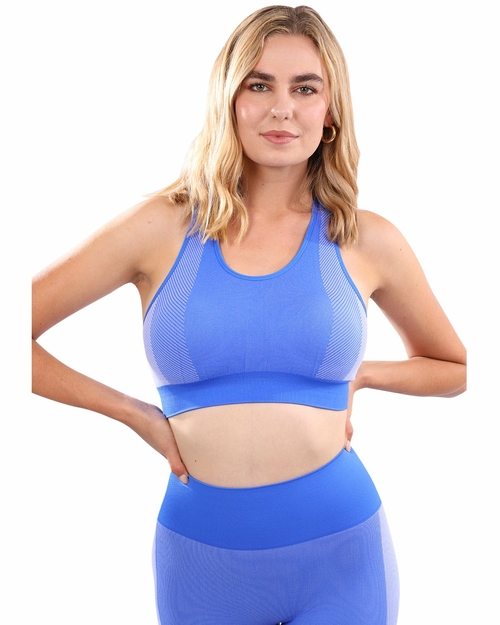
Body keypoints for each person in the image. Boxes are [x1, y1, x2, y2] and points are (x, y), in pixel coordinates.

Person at [31, 4, 466, 624]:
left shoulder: (365, 239)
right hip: (201, 563)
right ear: (228, 100)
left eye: (305, 88)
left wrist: (364, 375)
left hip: (342, 555)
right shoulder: (162, 228)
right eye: (259, 85)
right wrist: (134, 415)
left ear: (331, 111)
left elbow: (456, 368)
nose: (281, 108)